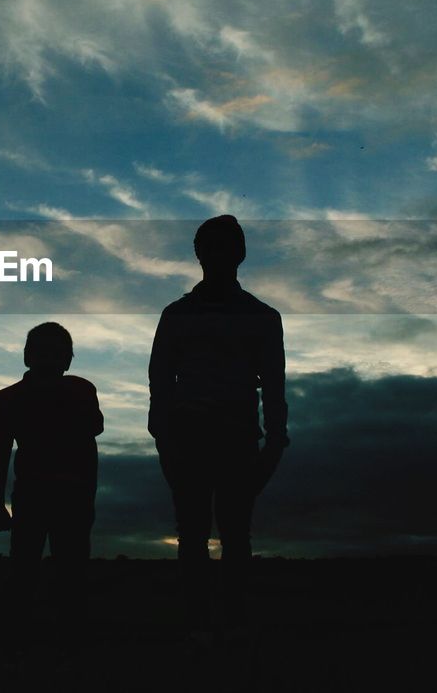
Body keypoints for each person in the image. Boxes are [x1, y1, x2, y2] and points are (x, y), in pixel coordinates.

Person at [148, 215, 288, 610]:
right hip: (188, 435)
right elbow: (160, 379)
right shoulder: (176, 315)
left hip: (237, 436)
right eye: (211, 246)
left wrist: (276, 440)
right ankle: (198, 620)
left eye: (227, 246)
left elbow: (274, 383)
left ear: (240, 253)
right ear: (198, 254)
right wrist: (163, 437)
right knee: (192, 533)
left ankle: (231, 621)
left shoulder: (262, 317)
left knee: (235, 533)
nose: (219, 254)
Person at [0, 322, 104, 605]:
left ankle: (60, 637)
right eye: (42, 352)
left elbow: (93, 432)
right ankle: (21, 637)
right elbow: (1, 452)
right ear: (28, 356)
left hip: (72, 494)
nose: (48, 360)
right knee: (26, 570)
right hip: (33, 494)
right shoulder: (7, 399)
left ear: (66, 360)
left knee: (71, 572)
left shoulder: (81, 391)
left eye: (55, 353)